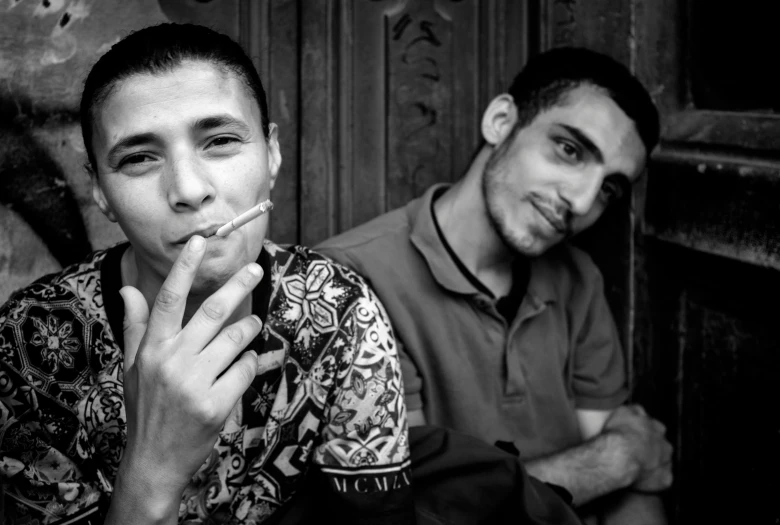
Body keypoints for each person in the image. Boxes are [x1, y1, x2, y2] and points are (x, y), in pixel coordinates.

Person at [0, 23, 583, 525]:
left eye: (221, 141)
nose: (189, 190)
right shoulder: (27, 344)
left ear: (272, 156)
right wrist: (151, 472)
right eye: (139, 158)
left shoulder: (337, 309)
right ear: (101, 192)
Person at [317, 47, 674, 523]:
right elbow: (417, 512)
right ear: (501, 121)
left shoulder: (579, 280)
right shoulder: (348, 282)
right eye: (570, 150)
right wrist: (615, 459)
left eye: (608, 187)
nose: (582, 201)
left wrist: (623, 463)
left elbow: (635, 487)